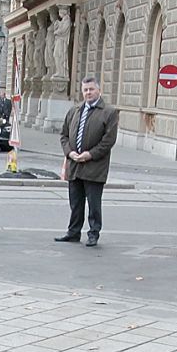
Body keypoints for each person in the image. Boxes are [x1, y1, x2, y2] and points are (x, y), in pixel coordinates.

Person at [54, 76, 120, 247]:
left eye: (91, 89)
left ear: (99, 90)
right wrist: (70, 153)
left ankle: (93, 234)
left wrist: (89, 155)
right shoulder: (75, 110)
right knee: (75, 203)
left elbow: (108, 141)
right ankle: (73, 232)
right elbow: (64, 135)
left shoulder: (109, 112)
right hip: (74, 165)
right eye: (85, 90)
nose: (88, 93)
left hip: (94, 167)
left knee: (93, 204)